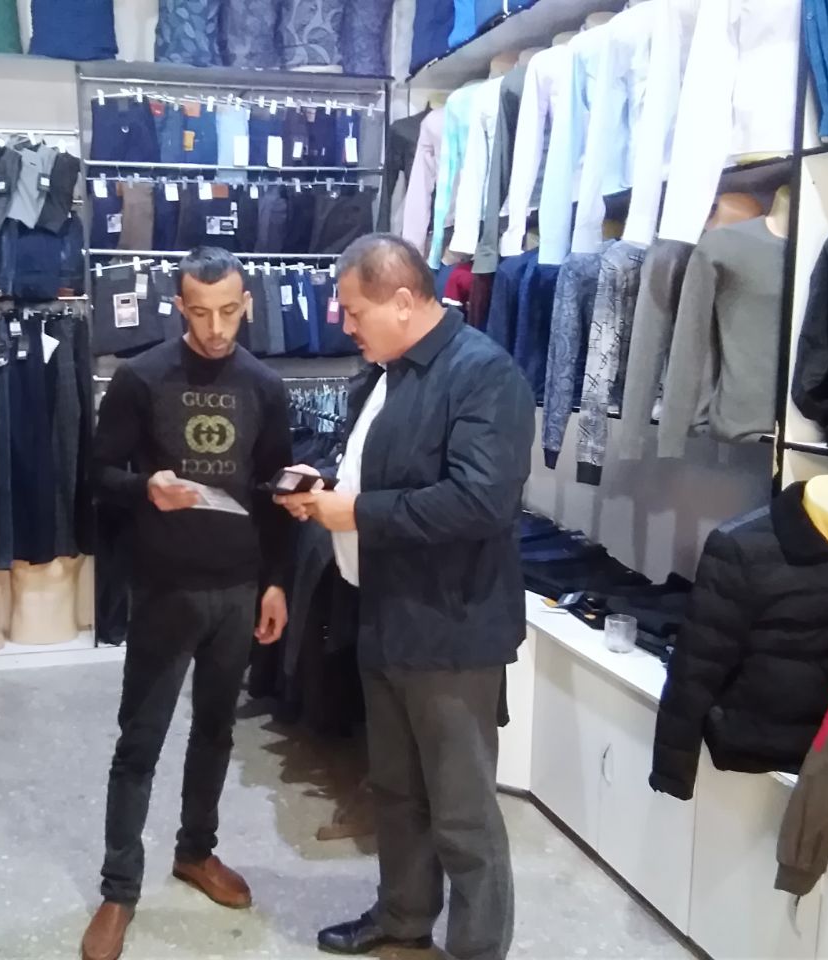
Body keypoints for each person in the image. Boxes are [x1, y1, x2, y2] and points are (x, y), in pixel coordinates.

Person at [276, 234, 535, 960]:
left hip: (452, 627)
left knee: (463, 810)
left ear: (400, 299)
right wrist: (328, 490)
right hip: (384, 612)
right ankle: (403, 917)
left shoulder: (484, 375)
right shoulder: (383, 374)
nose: (345, 325)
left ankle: (478, 948)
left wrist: (356, 512)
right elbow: (382, 473)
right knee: (395, 788)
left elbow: (482, 501)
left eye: (354, 311)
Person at [82, 247, 294, 960]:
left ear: (248, 303)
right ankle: (119, 889)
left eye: (229, 311)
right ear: (179, 307)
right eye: (200, 313)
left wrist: (276, 582)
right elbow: (96, 474)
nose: (216, 328)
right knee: (139, 741)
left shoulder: (265, 385)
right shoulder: (141, 378)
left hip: (237, 589)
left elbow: (274, 492)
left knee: (216, 733)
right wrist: (145, 488)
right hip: (165, 589)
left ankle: (195, 851)